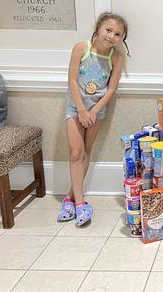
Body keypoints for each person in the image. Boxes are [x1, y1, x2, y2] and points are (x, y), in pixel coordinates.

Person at [58, 12, 130, 226]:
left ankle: (70, 198)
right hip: (75, 107)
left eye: (118, 34)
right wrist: (81, 110)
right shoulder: (81, 48)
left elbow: (110, 89)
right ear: (98, 28)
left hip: (97, 110)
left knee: (86, 150)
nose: (111, 36)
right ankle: (81, 203)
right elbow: (72, 80)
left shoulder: (116, 57)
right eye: (108, 30)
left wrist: (93, 111)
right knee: (75, 152)